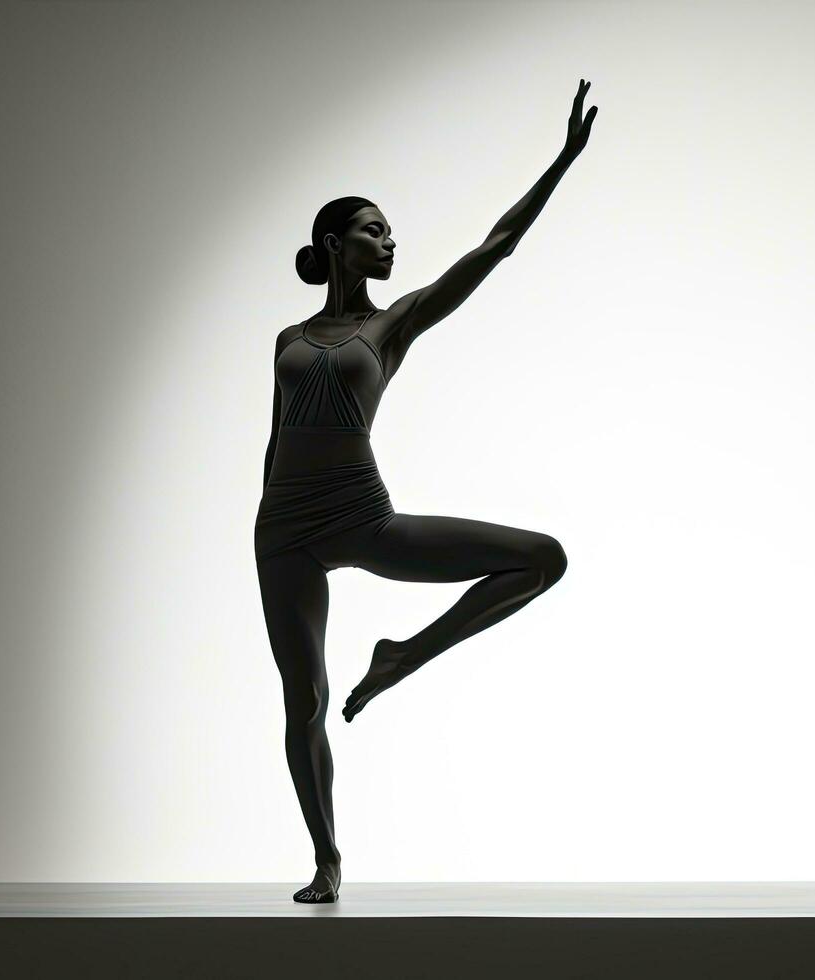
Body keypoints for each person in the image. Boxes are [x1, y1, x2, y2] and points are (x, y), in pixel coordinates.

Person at [254, 80, 597, 904]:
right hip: (285, 533)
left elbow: (495, 246)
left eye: (391, 232)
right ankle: (327, 861)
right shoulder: (287, 339)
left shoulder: (394, 324)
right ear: (335, 245)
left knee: (540, 560)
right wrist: (268, 527)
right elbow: (275, 438)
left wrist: (560, 162)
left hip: (364, 518)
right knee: (304, 699)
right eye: (375, 231)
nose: (390, 241)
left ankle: (404, 656)